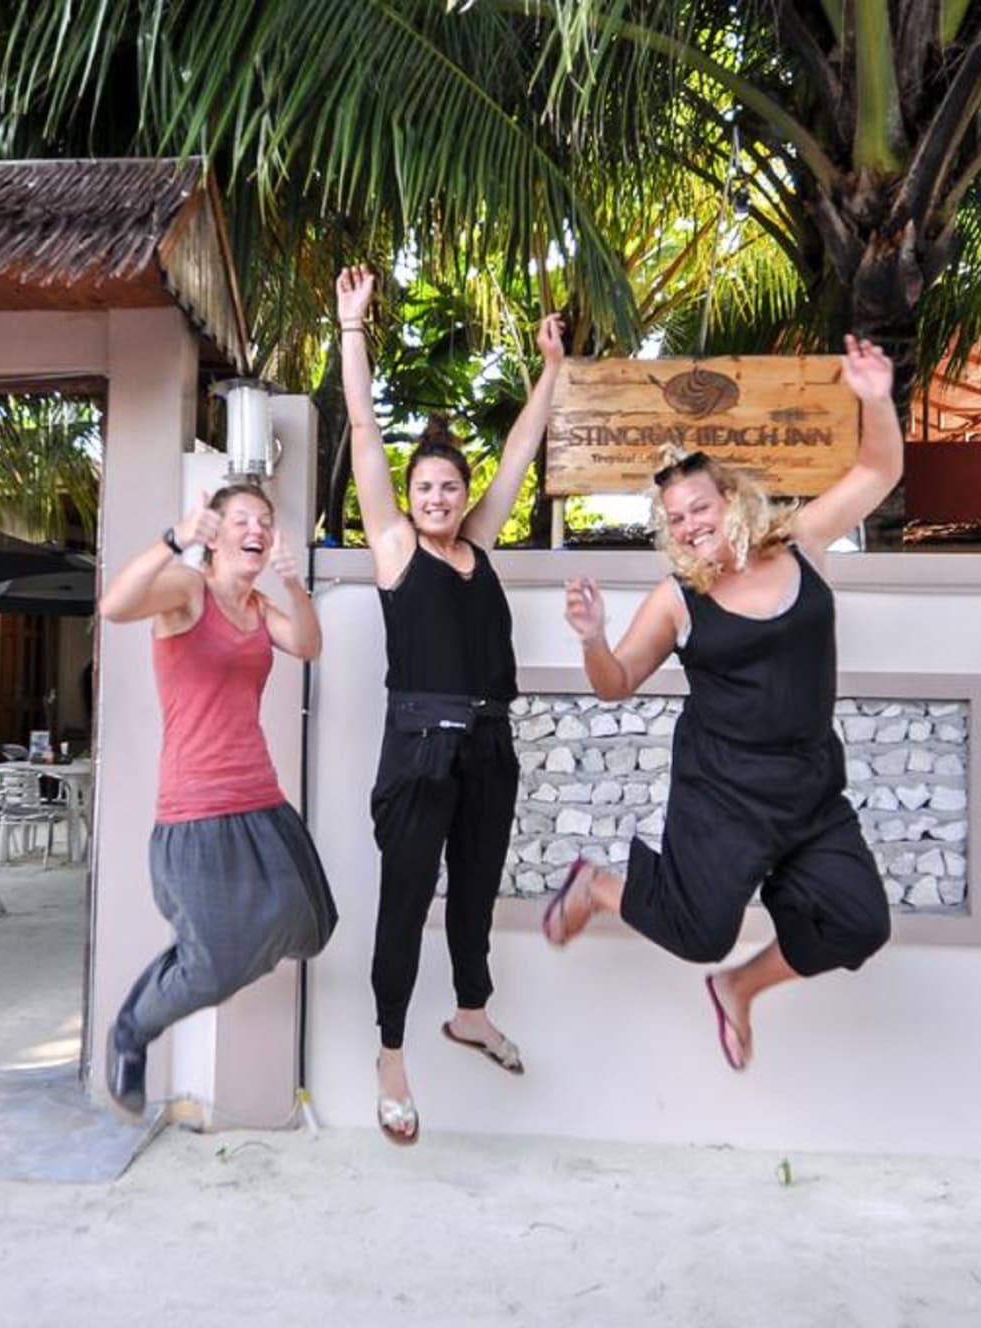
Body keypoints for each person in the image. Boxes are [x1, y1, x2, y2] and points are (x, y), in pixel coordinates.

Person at [546, 336, 903, 1071]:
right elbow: (617, 683)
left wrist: (874, 397)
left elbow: (878, 468)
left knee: (859, 922)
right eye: (675, 518)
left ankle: (740, 987)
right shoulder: (677, 599)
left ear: (730, 499)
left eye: (699, 507)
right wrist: (592, 637)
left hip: (808, 789)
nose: (690, 525)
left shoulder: (801, 543)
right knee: (699, 930)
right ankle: (601, 889)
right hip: (722, 794)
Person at [336, 264, 565, 1144]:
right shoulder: (396, 550)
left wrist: (549, 370)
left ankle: (471, 1011)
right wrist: (353, 329)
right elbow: (362, 428)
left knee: (473, 896)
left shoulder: (479, 545)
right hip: (420, 751)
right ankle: (391, 1053)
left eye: (449, 487)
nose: (438, 497)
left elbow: (516, 455)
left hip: (489, 749)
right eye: (424, 487)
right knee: (405, 902)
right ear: (409, 493)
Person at [96, 483, 338, 1119]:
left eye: (265, 520)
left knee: (308, 922)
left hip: (259, 797)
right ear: (218, 532)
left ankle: (181, 964)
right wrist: (175, 537)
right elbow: (115, 606)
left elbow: (309, 645)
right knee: (214, 966)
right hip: (196, 807)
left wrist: (296, 587)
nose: (256, 529)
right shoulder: (187, 589)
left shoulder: (259, 607)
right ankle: (133, 1030)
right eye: (241, 519)